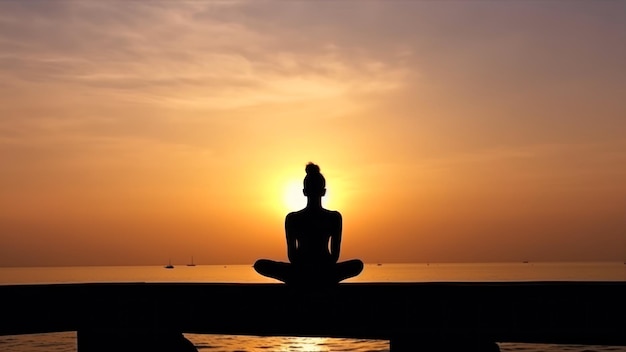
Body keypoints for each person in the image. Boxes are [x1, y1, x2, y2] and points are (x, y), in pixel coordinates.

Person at [254, 162, 364, 286]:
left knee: (260, 265)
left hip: (301, 271)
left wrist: (307, 267)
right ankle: (319, 279)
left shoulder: (293, 218)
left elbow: (292, 256)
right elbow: (334, 256)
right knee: (357, 265)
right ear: (323, 192)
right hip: (325, 271)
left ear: (304, 192)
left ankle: (304, 278)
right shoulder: (333, 217)